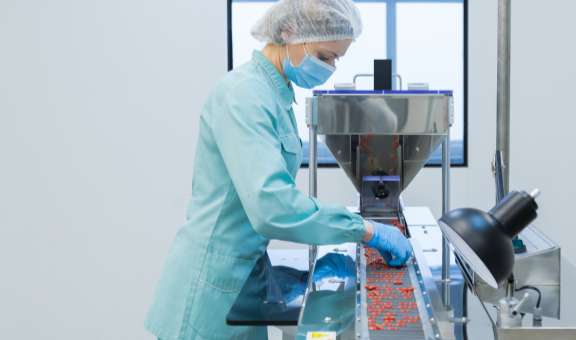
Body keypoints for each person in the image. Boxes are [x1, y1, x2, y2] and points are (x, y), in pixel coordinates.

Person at [144, 0, 412, 339]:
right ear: (290, 32)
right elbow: (272, 206)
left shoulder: (278, 94)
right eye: (324, 56)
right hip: (211, 289)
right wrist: (364, 230)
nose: (329, 67)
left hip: (245, 277)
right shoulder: (244, 95)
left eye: (336, 59)